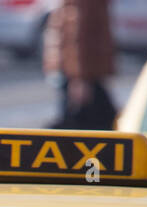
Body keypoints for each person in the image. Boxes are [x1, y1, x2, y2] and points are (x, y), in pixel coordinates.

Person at [43, 0, 117, 130]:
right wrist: (80, 78)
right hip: (81, 73)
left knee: (86, 123)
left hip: (78, 71)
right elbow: (76, 35)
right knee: (100, 124)